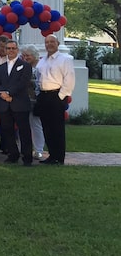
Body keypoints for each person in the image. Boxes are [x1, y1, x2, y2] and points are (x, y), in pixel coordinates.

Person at [0, 39, 34, 165]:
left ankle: (27, 157)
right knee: (7, 130)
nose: (11, 50)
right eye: (8, 48)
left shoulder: (25, 65)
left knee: (24, 131)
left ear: (17, 50)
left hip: (19, 103)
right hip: (5, 104)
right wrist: (3, 94)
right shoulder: (0, 67)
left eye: (13, 48)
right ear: (5, 50)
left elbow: (23, 83)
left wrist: (10, 93)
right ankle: (13, 154)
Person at [36, 35, 75, 165]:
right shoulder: (42, 60)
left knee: (57, 128)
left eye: (52, 42)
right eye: (47, 42)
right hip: (43, 95)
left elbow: (69, 79)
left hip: (56, 96)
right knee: (46, 128)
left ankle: (59, 157)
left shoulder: (65, 60)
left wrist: (60, 97)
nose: (49, 44)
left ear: (57, 43)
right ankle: (52, 155)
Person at [21, 44, 46, 159]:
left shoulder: (41, 66)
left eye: (28, 55)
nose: (26, 57)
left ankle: (38, 150)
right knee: (24, 125)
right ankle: (25, 149)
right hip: (23, 99)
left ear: (35, 55)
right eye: (24, 55)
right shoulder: (22, 66)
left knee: (36, 125)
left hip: (37, 99)